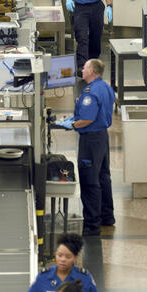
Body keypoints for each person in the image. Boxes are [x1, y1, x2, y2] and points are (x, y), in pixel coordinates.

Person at [58, 59, 115, 236]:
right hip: (102, 137)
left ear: (92, 70)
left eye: (85, 67)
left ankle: (92, 224)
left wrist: (71, 125)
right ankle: (107, 216)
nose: (82, 70)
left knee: (90, 180)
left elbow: (87, 119)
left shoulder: (91, 92)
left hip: (91, 140)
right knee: (104, 176)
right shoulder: (105, 87)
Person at [27, 234, 99, 292]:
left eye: (68, 257)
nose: (62, 260)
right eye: (59, 255)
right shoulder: (44, 276)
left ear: (75, 257)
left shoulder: (85, 277)